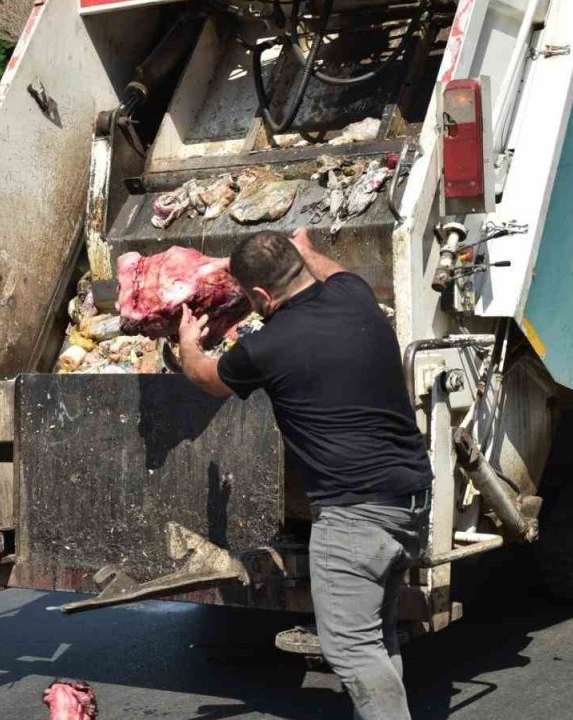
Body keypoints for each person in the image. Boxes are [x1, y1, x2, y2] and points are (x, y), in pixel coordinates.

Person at [178, 228, 433, 719]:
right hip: (409, 500)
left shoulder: (266, 348)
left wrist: (189, 343)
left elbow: (206, 379)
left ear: (260, 297)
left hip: (355, 517)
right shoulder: (355, 295)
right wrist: (308, 246)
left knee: (351, 650)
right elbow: (332, 270)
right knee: (374, 637)